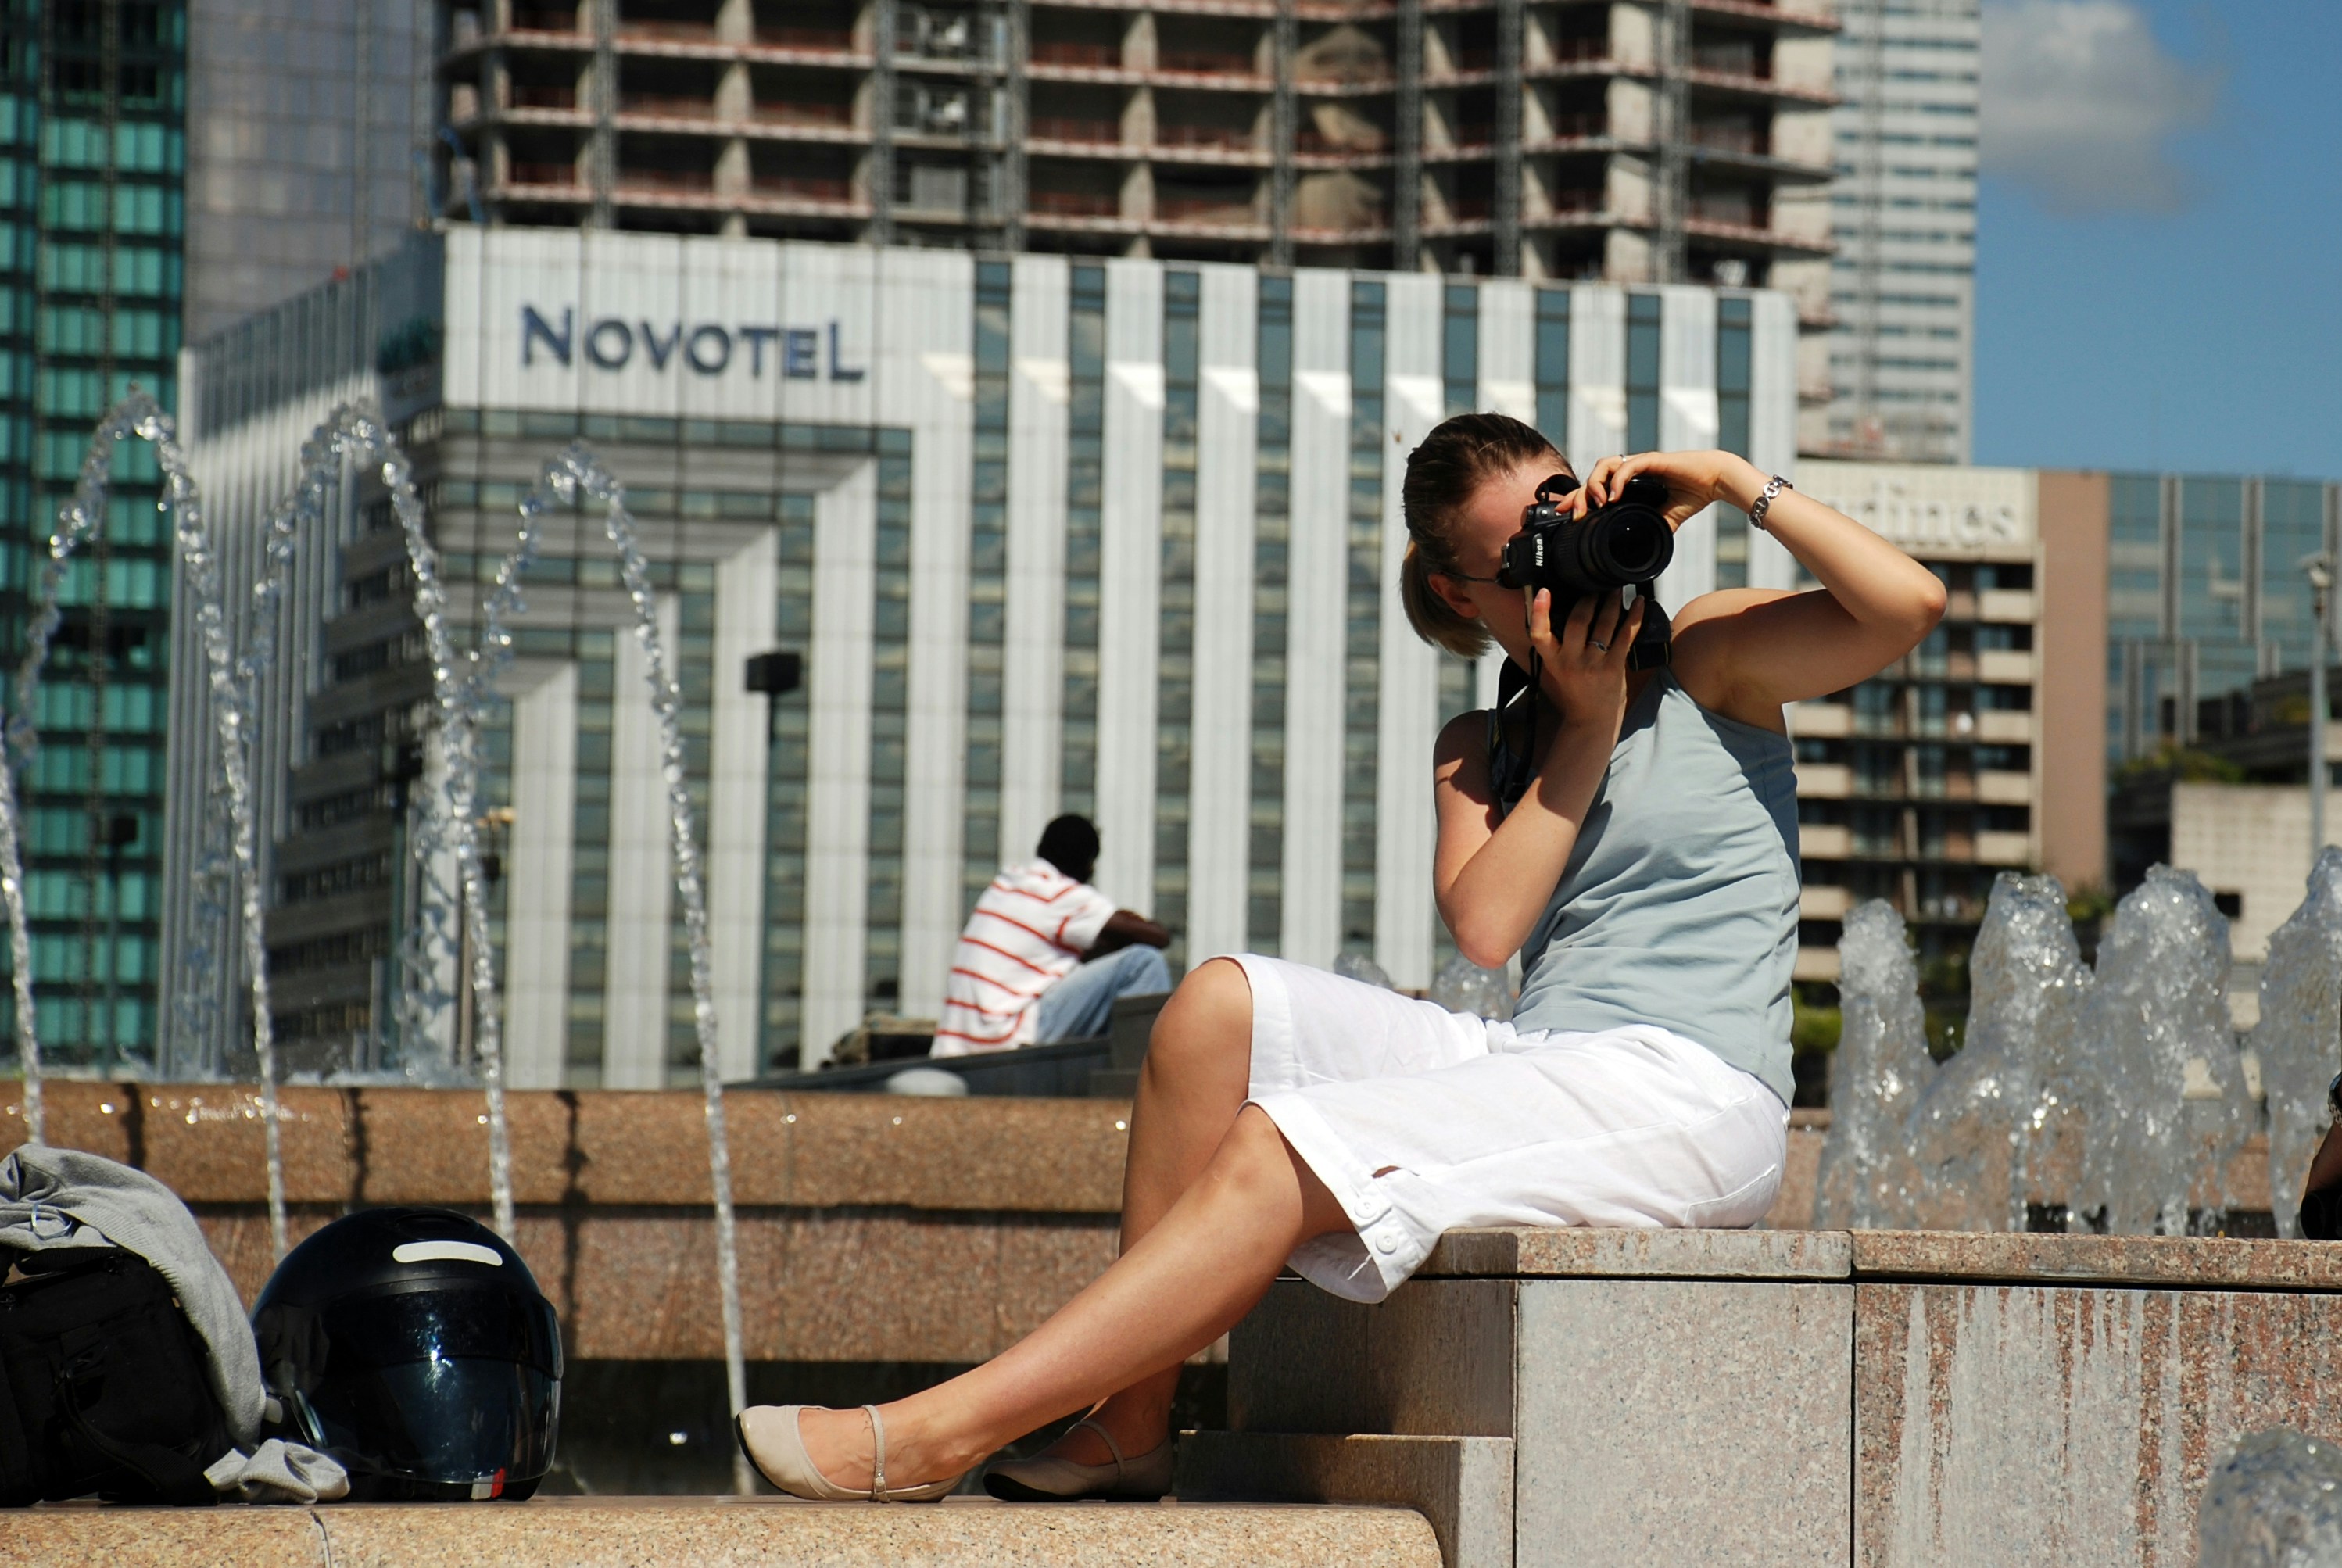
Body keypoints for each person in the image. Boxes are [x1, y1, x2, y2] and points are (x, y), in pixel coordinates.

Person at [735, 415, 1946, 1502]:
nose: (1559, 556)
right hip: (1548, 1054)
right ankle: (1133, 1423)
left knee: (1280, 1141)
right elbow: (1487, 927)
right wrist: (1577, 726)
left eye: (1565, 509)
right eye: (1521, 554)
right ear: (1462, 594)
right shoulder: (1483, 741)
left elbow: (1908, 605)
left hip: (1691, 1093)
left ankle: (934, 1433)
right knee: (1216, 1006)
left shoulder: (1710, 652)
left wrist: (1731, 480)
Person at [932, 814, 1173, 1056]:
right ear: (1087, 863)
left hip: (956, 1046)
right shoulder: (1059, 895)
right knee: (1143, 962)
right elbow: (1157, 936)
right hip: (1008, 1037)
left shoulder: (1007, 884)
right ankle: (1147, 1073)